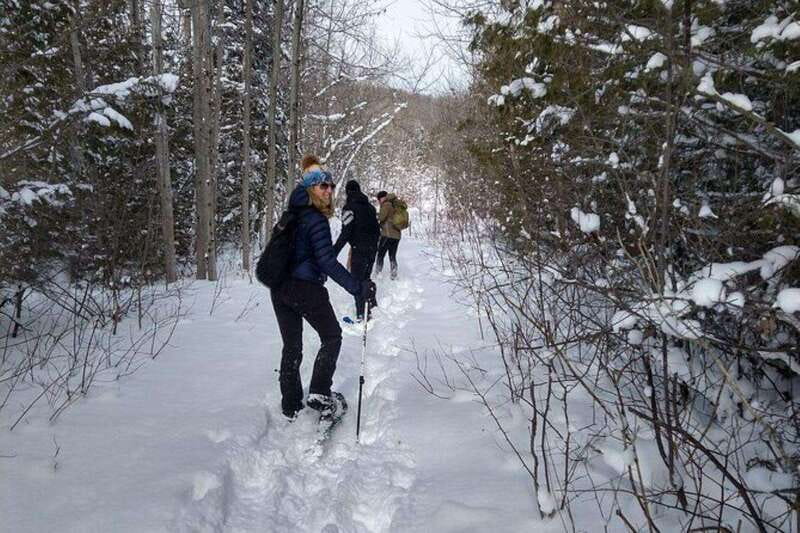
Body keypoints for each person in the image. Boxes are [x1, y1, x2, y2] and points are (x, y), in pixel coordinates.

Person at [270, 155, 377, 420]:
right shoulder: (315, 219)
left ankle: (290, 404)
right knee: (332, 336)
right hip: (305, 288)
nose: (329, 190)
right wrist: (358, 287)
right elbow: (327, 262)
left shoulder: (290, 214)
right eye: (322, 186)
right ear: (310, 189)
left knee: (292, 345)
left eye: (330, 185)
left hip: (279, 288)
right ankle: (319, 393)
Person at [333, 180, 380, 321]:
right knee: (366, 278)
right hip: (372, 248)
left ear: (348, 192)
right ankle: (372, 305)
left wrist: (334, 251)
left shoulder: (349, 208)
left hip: (359, 249)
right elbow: (377, 229)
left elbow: (346, 232)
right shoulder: (371, 208)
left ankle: (362, 314)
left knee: (357, 282)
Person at [376, 191, 402, 280]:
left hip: (387, 235)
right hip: (397, 236)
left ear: (382, 198)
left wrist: (377, 214)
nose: (379, 201)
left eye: (379, 199)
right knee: (392, 255)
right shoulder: (395, 204)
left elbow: (381, 217)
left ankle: (378, 273)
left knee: (380, 254)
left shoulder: (386, 205)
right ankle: (394, 274)